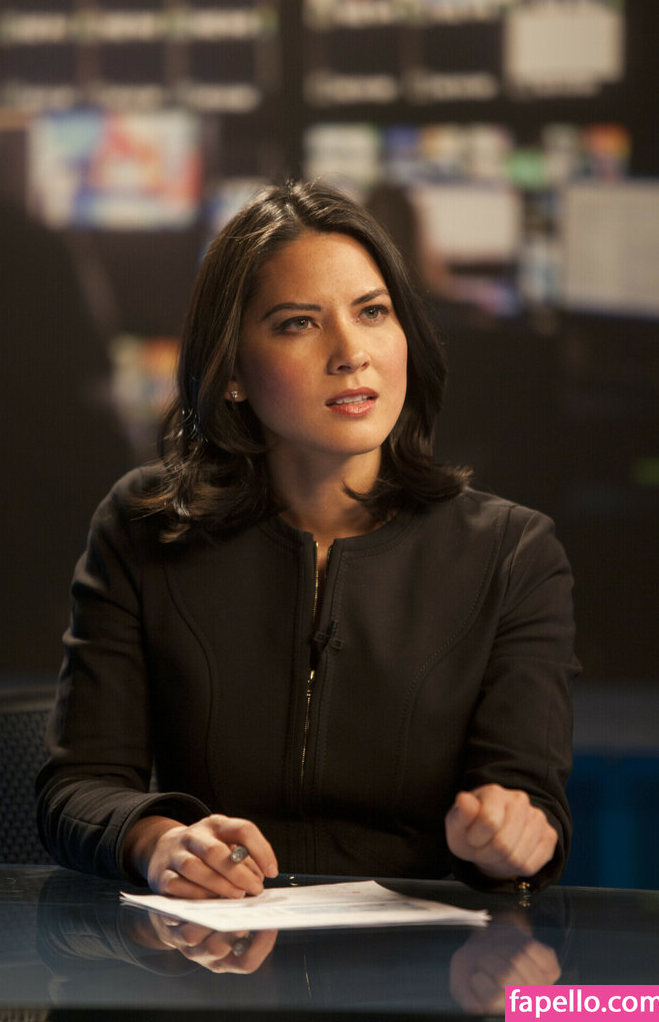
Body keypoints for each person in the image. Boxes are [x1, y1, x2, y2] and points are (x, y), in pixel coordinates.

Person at [37, 180, 578, 899]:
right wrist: (159, 842)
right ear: (232, 370)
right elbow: (77, 788)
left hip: (417, 957)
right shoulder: (143, 527)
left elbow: (528, 804)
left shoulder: (513, 554)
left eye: (373, 312)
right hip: (207, 951)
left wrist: (513, 835)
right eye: (299, 323)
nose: (352, 353)